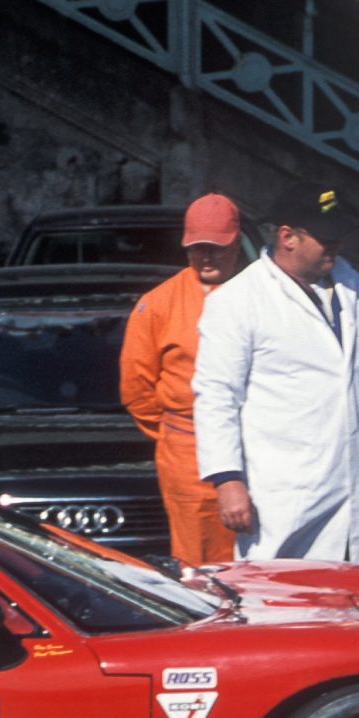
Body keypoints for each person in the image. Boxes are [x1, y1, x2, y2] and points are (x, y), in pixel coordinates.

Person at [192, 183, 359, 564]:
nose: (336, 244)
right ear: (287, 237)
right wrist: (227, 480)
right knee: (282, 600)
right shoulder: (238, 301)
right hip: (286, 488)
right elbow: (217, 396)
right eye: (326, 237)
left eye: (341, 234)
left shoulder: (358, 289)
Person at [118, 192, 248, 567]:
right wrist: (180, 435)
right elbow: (136, 388)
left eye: (216, 248)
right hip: (188, 454)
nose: (206, 257)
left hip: (261, 445)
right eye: (196, 248)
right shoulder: (157, 304)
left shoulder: (263, 292)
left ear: (236, 243)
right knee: (201, 566)